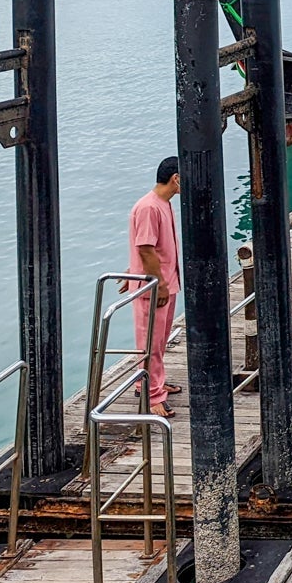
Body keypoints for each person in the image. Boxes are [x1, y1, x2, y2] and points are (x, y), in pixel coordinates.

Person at [128, 156, 182, 418]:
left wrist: (131, 271)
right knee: (149, 342)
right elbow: (145, 248)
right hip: (155, 288)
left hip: (166, 283)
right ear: (176, 179)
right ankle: (150, 395)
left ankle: (156, 383)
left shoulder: (163, 204)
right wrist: (158, 284)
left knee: (160, 340)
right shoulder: (149, 207)